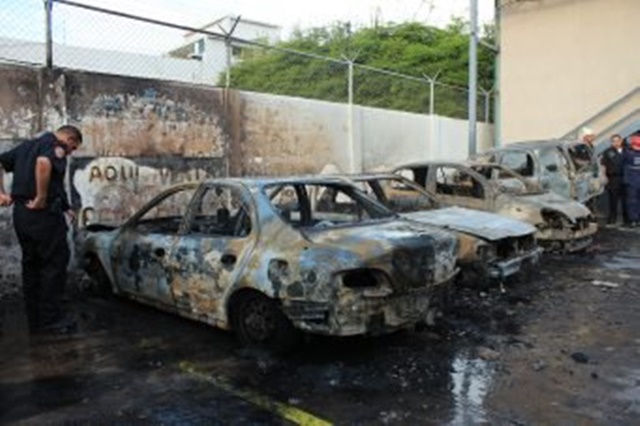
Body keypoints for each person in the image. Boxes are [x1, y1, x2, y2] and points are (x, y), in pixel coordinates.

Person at [0, 125, 82, 334]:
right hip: (43, 215)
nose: (71, 152)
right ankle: (51, 320)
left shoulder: (27, 146)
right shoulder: (57, 146)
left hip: (22, 215)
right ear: (70, 139)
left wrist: (1, 193)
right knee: (54, 264)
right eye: (74, 148)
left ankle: (35, 317)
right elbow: (44, 163)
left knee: (32, 264)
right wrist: (41, 198)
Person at [601, 134, 629, 225]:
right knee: (613, 200)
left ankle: (627, 220)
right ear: (611, 142)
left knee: (626, 200)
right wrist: (604, 176)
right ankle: (612, 219)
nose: (616, 142)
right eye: (614, 141)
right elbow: (603, 165)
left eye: (617, 140)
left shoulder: (627, 150)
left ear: (621, 141)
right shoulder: (607, 152)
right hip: (613, 178)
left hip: (625, 178)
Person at [623, 134, 640, 227]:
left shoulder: (628, 153)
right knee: (632, 201)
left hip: (632, 181)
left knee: (634, 201)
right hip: (632, 182)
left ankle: (635, 219)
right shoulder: (628, 153)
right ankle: (634, 219)